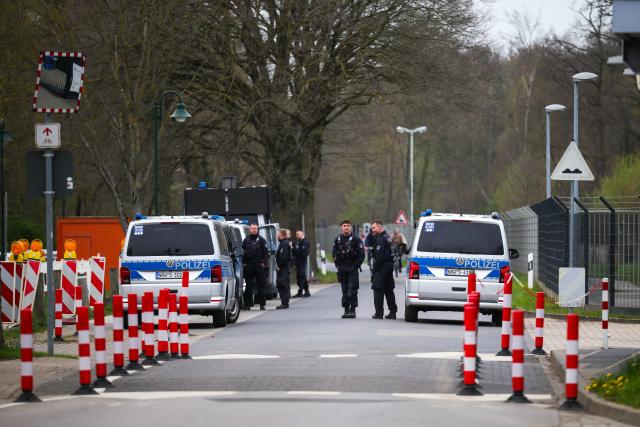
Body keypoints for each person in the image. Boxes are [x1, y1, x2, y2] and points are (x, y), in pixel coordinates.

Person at [332, 220, 365, 319]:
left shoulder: (356, 239)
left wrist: (355, 266)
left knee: (352, 289)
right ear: (341, 227)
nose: (346, 227)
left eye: (348, 226)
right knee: (344, 290)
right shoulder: (337, 239)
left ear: (350, 227)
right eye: (344, 226)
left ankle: (352, 310)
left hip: (352, 268)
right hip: (342, 268)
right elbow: (333, 254)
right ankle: (346, 310)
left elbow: (361, 255)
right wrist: (338, 266)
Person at [370, 220, 397, 319]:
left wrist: (374, 270)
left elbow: (379, 256)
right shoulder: (388, 237)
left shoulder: (381, 239)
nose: (372, 230)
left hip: (383, 266)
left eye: (374, 228)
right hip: (390, 265)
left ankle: (379, 313)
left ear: (380, 227)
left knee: (377, 288)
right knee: (388, 289)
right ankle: (393, 312)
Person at [242, 223, 269, 310]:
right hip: (249, 265)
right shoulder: (246, 240)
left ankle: (262, 304)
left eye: (255, 228)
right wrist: (244, 263)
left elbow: (266, 253)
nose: (254, 230)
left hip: (259, 265)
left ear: (257, 229)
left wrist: (264, 263)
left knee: (261, 285)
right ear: (249, 230)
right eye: (252, 228)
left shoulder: (262, 240)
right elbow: (242, 252)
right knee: (248, 286)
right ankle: (248, 304)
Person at [275, 229, 292, 309]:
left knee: (282, 284)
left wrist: (279, 265)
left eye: (277, 234)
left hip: (283, 268)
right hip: (283, 268)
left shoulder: (284, 244)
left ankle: (285, 303)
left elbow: (283, 257)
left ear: (281, 235)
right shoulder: (283, 243)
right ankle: (284, 302)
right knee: (281, 284)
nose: (276, 236)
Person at [292, 230, 310, 298]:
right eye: (296, 234)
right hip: (298, 262)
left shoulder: (305, 242)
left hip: (302, 262)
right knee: (302, 276)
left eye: (298, 234)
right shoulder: (299, 242)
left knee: (301, 276)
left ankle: (301, 291)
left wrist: (295, 250)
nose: (296, 235)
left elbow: (303, 254)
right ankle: (306, 291)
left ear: (302, 234)